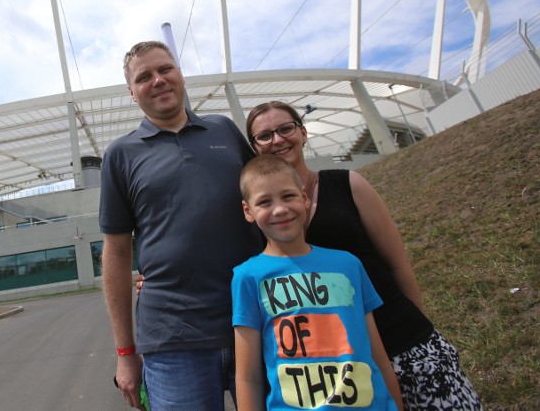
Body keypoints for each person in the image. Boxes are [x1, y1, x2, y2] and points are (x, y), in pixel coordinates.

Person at [245, 100, 483, 410]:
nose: (277, 140)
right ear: (254, 147)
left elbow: (397, 263)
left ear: (303, 133)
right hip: (343, 369)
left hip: (404, 342)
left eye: (285, 128)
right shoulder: (264, 218)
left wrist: (418, 330)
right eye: (264, 135)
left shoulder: (348, 184)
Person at [100, 40, 262, 411]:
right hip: (173, 340)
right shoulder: (120, 155)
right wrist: (126, 352)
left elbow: (269, 195)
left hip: (255, 321)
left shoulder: (224, 131)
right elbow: (117, 252)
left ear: (180, 73)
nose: (158, 80)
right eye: (144, 77)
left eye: (165, 69)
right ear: (131, 92)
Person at [232, 154, 403, 410]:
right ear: (248, 211)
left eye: (288, 196)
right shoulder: (247, 276)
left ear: (304, 196)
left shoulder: (348, 265)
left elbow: (378, 356)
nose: (279, 209)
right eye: (265, 201)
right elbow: (248, 377)